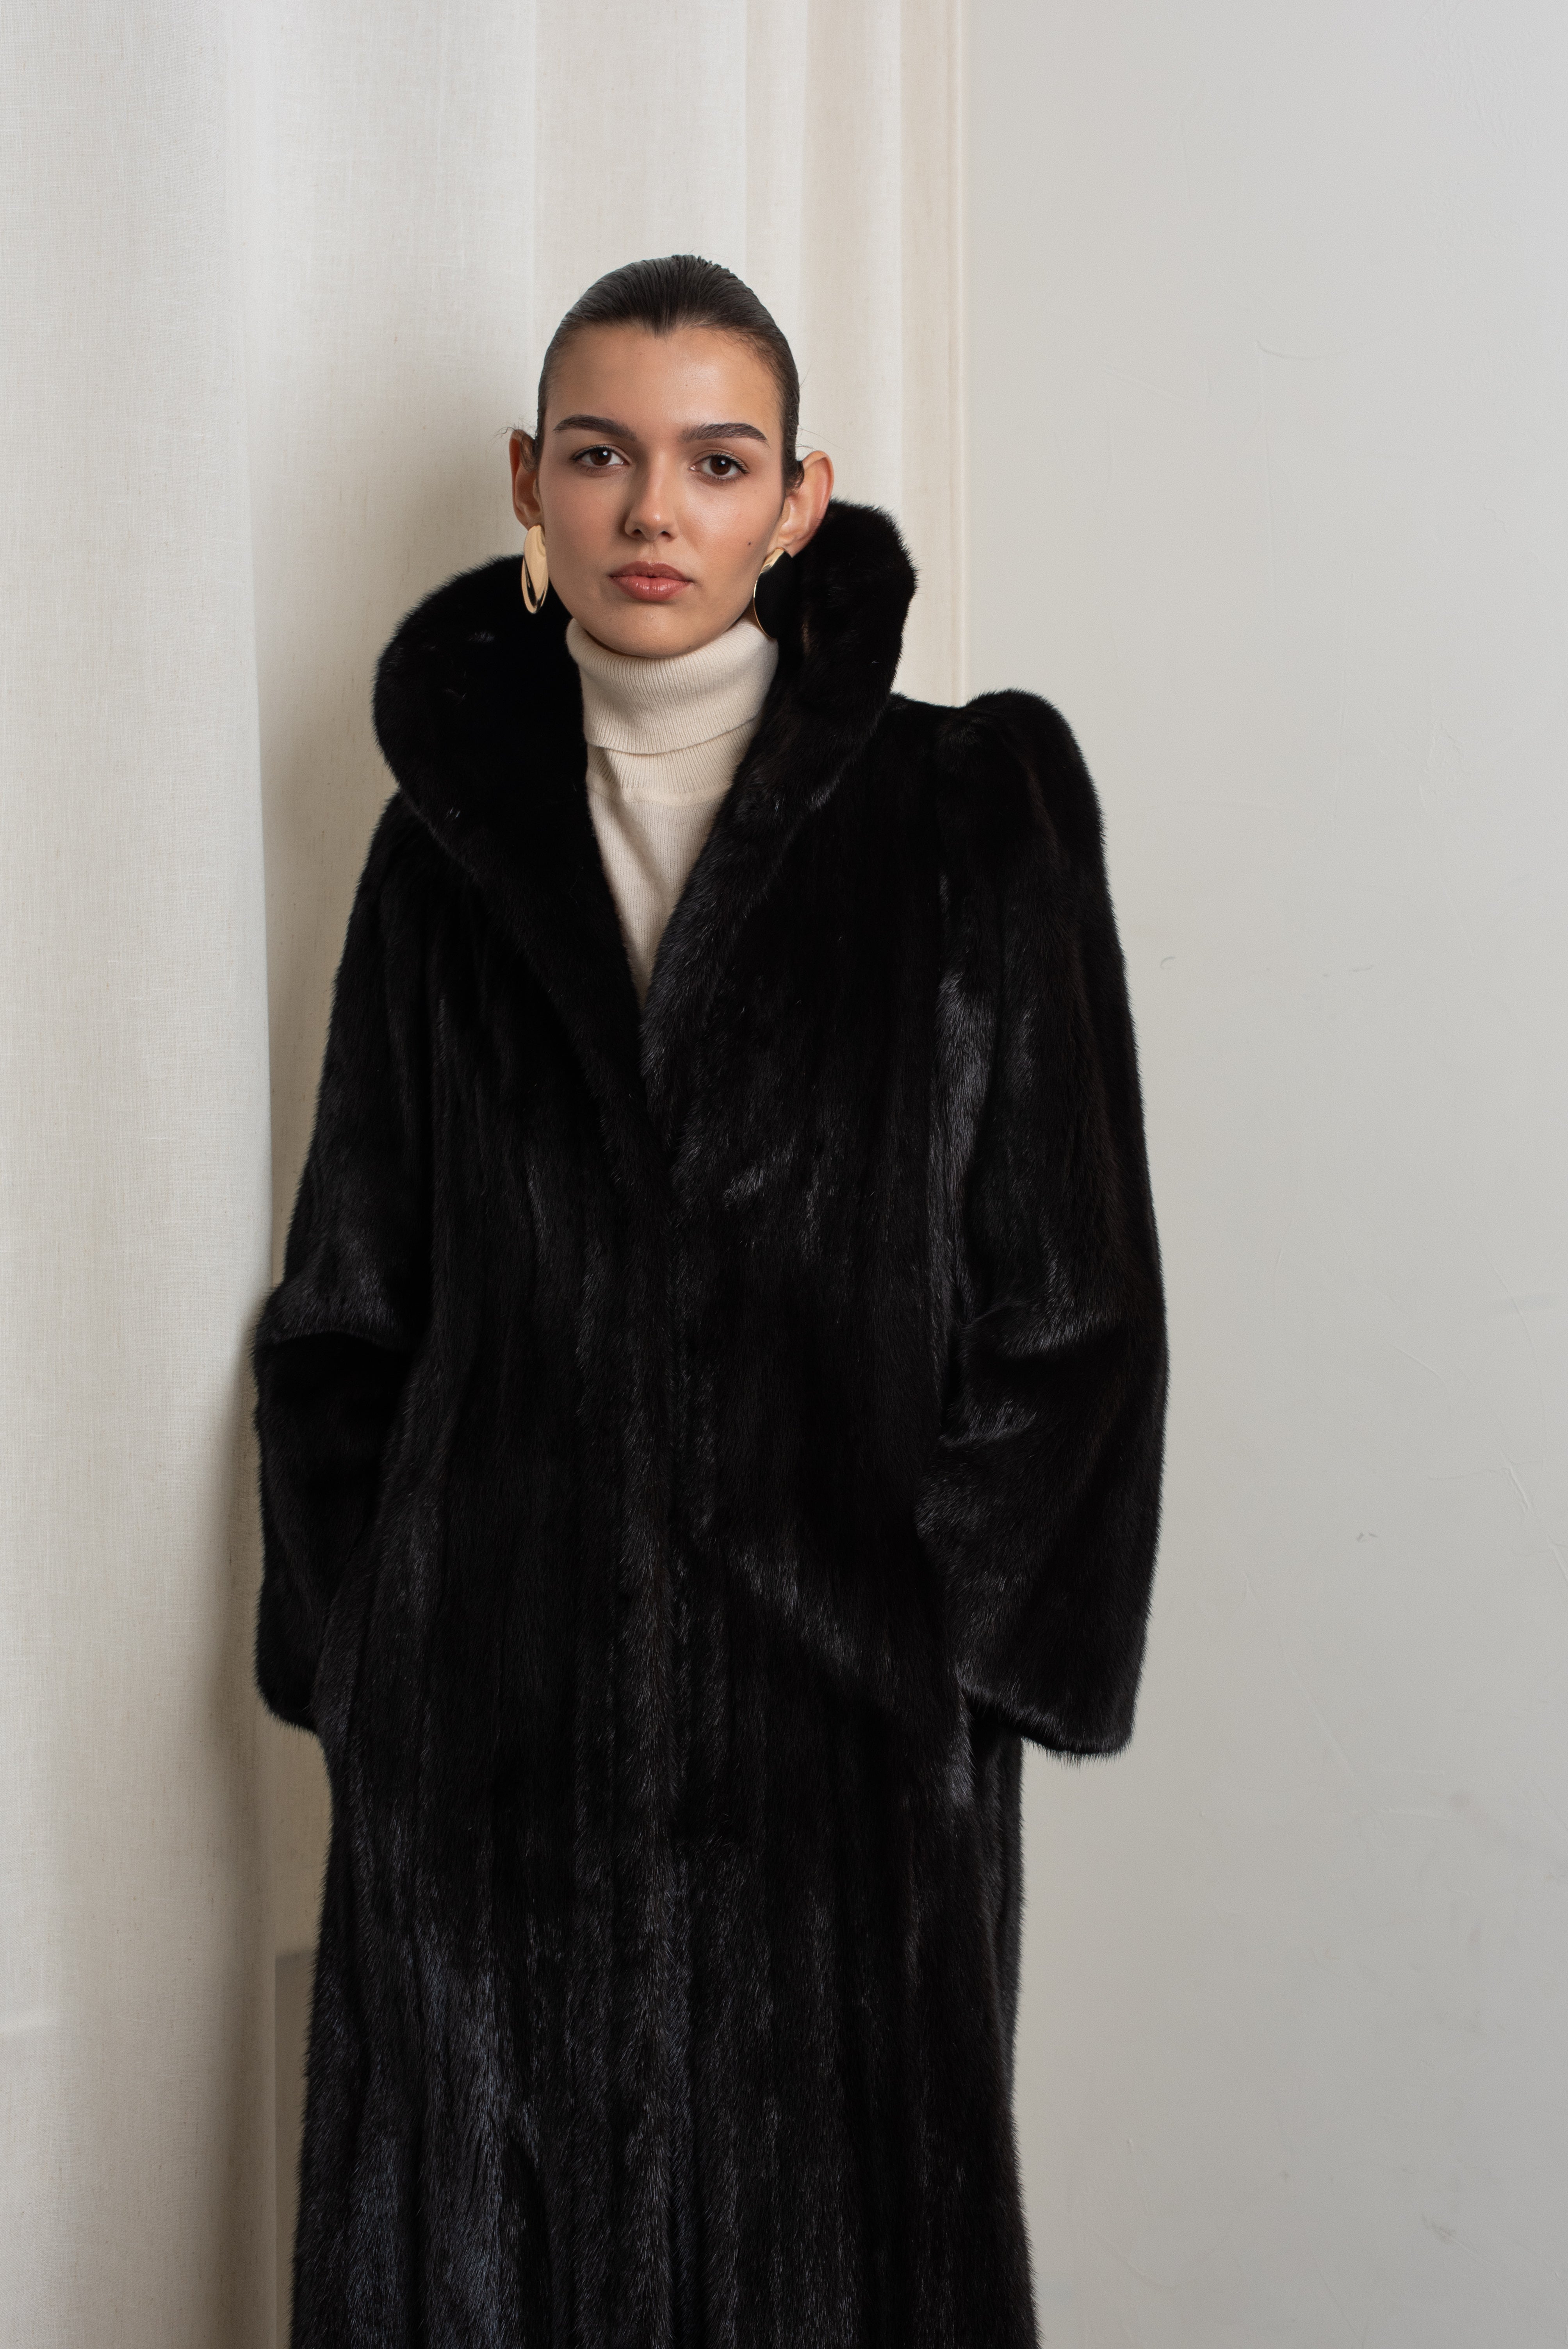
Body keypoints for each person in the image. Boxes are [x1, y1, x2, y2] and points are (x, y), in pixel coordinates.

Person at [252, 253, 1168, 2349]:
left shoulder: (970, 812)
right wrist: (371, 1651)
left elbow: (1076, 1300)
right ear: (530, 483)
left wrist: (939, 1652)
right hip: (486, 1752)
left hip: (845, 1762)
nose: (652, 510)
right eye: (601, 457)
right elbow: (350, 1305)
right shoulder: (443, 854)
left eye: (716, 461)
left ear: (798, 500)